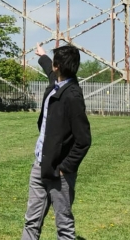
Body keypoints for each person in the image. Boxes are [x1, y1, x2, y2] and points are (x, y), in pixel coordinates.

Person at [21, 43, 92, 240]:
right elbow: (49, 73)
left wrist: (65, 167)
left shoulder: (72, 96)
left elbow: (84, 140)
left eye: (53, 62)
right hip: (40, 164)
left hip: (59, 171)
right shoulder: (58, 84)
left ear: (58, 66)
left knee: (64, 226)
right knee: (31, 221)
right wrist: (42, 55)